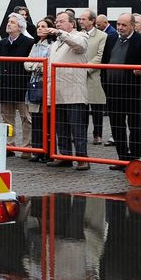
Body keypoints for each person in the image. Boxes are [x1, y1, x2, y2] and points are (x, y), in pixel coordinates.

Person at [101, 13, 141, 165]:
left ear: (132, 25)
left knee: (135, 126)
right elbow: (105, 63)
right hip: (112, 91)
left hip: (133, 93)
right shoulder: (110, 39)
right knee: (117, 126)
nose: (120, 27)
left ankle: (135, 160)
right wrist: (105, 84)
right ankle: (122, 159)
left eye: (123, 25)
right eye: (118, 24)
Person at [43, 11, 90, 170]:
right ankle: (64, 156)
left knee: (77, 128)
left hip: (74, 92)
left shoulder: (81, 36)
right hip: (57, 91)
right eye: (56, 22)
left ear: (72, 24)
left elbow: (79, 46)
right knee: (60, 127)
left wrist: (61, 33)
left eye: (61, 21)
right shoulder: (56, 42)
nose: (57, 24)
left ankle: (82, 158)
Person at [0, 13, 34, 154]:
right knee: (7, 119)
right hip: (5, 87)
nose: (9, 24)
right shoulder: (2, 43)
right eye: (8, 21)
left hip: (22, 87)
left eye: (13, 22)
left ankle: (27, 147)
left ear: (20, 27)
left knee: (26, 119)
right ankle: (9, 146)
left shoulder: (29, 43)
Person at [24, 17, 56, 162]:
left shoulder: (52, 46)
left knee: (46, 120)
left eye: (43, 26)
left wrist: (35, 66)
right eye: (38, 26)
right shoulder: (35, 45)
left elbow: (47, 65)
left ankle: (48, 151)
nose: (40, 29)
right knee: (35, 119)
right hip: (34, 83)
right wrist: (35, 66)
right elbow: (27, 63)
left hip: (45, 84)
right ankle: (37, 149)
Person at [78, 10, 107, 145]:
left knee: (97, 108)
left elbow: (100, 56)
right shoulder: (77, 35)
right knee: (81, 108)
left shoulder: (102, 36)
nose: (81, 21)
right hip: (78, 77)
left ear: (92, 21)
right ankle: (81, 133)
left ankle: (98, 134)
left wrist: (85, 68)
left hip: (94, 76)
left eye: (84, 19)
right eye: (80, 19)